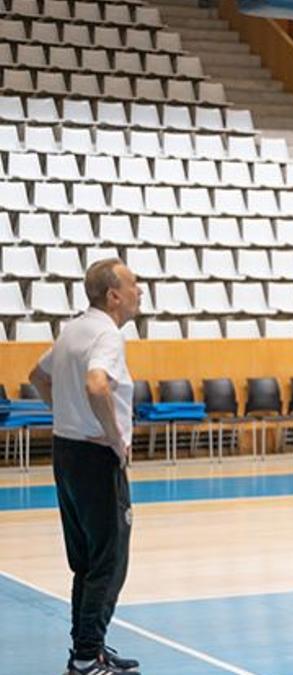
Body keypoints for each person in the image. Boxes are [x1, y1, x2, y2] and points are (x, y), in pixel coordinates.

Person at [28, 258, 143, 675]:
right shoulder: (107, 335)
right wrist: (113, 435)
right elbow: (97, 384)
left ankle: (87, 649)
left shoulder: (74, 329)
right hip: (95, 459)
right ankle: (85, 658)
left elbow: (37, 376)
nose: (140, 292)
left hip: (66, 452)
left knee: (85, 561)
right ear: (113, 295)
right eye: (134, 285)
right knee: (108, 561)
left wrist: (66, 413)